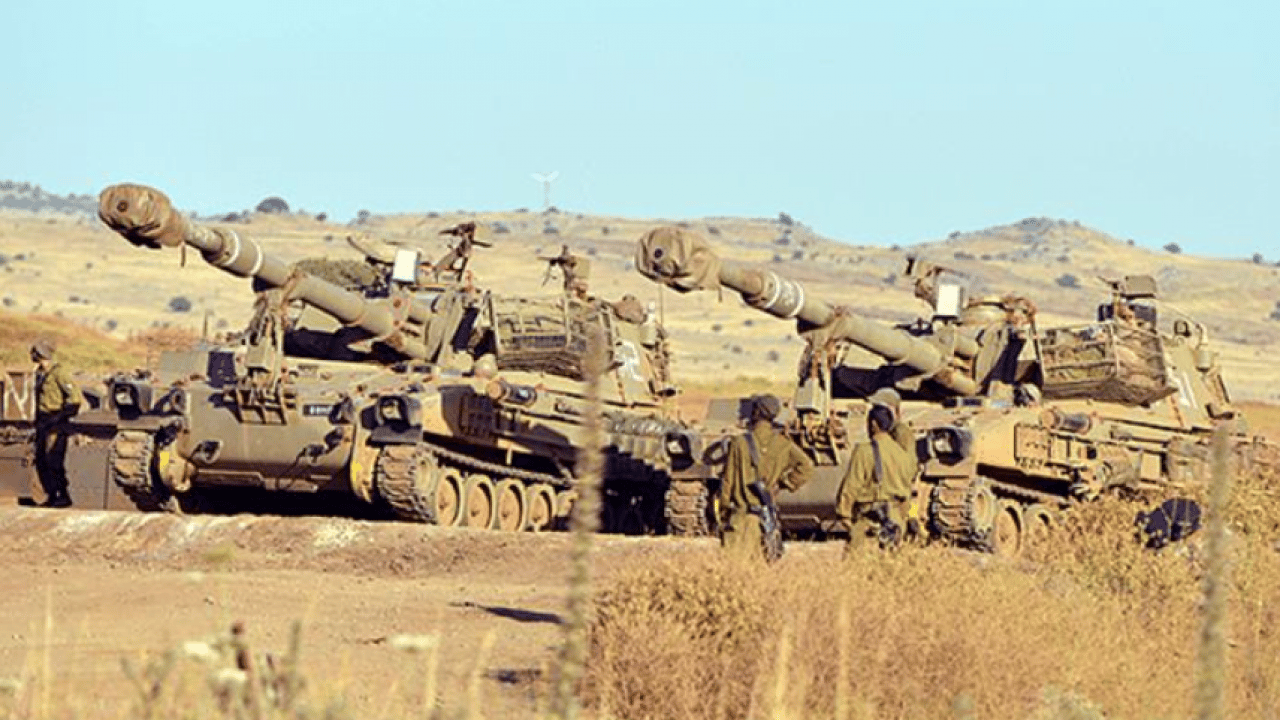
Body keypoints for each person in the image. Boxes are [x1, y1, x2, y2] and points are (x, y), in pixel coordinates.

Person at [717, 394, 814, 560]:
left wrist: (724, 512)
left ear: (755, 413)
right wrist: (784, 483)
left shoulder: (739, 443)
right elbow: (807, 466)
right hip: (766, 521)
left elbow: (728, 481)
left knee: (736, 571)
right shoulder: (783, 443)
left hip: (740, 518)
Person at [836, 405, 916, 550]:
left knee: (855, 564)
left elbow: (852, 485)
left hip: (869, 518)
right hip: (895, 518)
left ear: (873, 424)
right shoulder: (903, 455)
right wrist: (907, 517)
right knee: (891, 564)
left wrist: (844, 513)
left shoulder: (864, 450)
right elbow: (910, 491)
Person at [30, 339, 82, 508]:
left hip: (56, 423)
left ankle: (63, 495)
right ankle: (51, 495)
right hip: (42, 422)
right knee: (41, 460)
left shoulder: (59, 374)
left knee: (54, 460)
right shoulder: (39, 374)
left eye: (34, 352)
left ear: (41, 355)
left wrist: (60, 416)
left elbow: (75, 399)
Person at [868, 387, 921, 536]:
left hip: (900, 490)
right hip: (896, 488)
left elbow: (908, 464)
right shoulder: (888, 431)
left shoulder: (901, 432)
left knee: (908, 520)